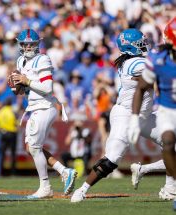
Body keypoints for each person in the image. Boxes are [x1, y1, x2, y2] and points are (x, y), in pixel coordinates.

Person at [70, 28, 163, 203]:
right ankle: (82, 190)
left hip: (145, 115)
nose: (144, 46)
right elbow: (158, 69)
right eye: (140, 44)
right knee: (112, 159)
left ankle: (155, 178)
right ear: (130, 48)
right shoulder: (133, 63)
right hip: (126, 115)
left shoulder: (134, 61)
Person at [10, 28, 77, 198]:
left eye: (31, 44)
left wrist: (27, 80)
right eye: (25, 44)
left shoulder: (43, 59)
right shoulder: (20, 61)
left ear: (38, 44)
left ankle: (45, 187)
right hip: (35, 107)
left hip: (45, 106)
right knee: (30, 148)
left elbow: (47, 88)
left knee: (34, 147)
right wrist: (17, 86)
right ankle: (64, 171)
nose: (28, 48)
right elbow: (22, 89)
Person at [127, 18, 176, 210]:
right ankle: (171, 189)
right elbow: (140, 88)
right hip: (167, 110)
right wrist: (133, 118)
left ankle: (165, 184)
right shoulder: (158, 60)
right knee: (169, 142)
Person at [0, 98, 18, 176]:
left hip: (3, 133)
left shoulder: (0, 111)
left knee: (2, 153)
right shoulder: (13, 111)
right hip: (12, 133)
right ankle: (13, 172)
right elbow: (17, 122)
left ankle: (1, 172)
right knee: (13, 153)